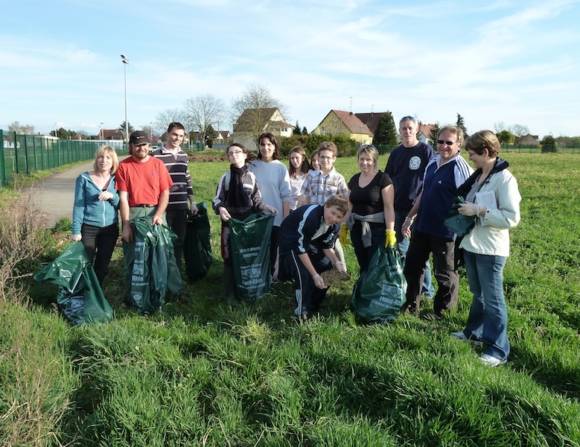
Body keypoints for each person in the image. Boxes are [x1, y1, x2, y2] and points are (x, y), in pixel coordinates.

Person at [451, 130, 521, 367]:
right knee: (478, 294)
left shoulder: (505, 179)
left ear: (486, 152)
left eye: (473, 153)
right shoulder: (479, 176)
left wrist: (479, 211)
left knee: (493, 299)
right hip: (472, 244)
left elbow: (512, 218)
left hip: (491, 249)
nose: (470, 157)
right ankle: (474, 332)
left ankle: (499, 349)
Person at [402, 125, 472, 320]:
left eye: (449, 143)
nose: (443, 146)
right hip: (422, 226)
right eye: (440, 142)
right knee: (413, 267)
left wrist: (459, 231)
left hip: (445, 232)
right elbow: (423, 193)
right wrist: (410, 217)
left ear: (459, 144)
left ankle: (443, 313)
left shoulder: (461, 168)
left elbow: (468, 201)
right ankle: (411, 305)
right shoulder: (432, 162)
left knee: (445, 274)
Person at [213, 143, 276, 298]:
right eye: (231, 153)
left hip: (247, 224)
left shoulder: (252, 177)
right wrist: (221, 208)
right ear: (228, 156)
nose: (234, 155)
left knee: (245, 254)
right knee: (228, 254)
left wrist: (268, 209)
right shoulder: (225, 177)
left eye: (238, 152)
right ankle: (229, 292)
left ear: (245, 155)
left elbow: (257, 200)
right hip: (230, 223)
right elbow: (216, 199)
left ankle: (247, 288)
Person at [278, 195, 348, 321]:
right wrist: (315, 274)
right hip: (291, 241)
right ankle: (300, 313)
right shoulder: (311, 217)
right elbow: (300, 249)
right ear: (325, 206)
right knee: (303, 274)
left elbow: (326, 246)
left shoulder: (334, 226)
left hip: (310, 241)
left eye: (338, 217)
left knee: (328, 268)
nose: (334, 218)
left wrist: (336, 262)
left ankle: (313, 303)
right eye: (332, 212)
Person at [386, 115, 434, 296]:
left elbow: (430, 180)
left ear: (416, 129)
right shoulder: (395, 153)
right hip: (398, 209)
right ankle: (409, 287)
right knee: (402, 250)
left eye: (410, 128)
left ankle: (426, 291)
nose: (406, 131)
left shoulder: (425, 151)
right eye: (403, 128)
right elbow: (388, 180)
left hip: (419, 210)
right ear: (399, 131)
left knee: (420, 252)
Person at [71, 145, 120, 284]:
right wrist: (76, 230)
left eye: (108, 157)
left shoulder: (116, 179)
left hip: (110, 229)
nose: (103, 160)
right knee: (85, 262)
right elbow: (79, 206)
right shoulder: (84, 178)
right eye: (100, 157)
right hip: (89, 228)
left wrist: (112, 196)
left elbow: (121, 205)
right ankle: (80, 291)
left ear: (113, 161)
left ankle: (96, 293)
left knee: (103, 264)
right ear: (96, 159)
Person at [152, 122, 196, 270]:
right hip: (162, 208)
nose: (178, 138)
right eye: (175, 134)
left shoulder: (184, 155)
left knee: (178, 241)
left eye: (181, 136)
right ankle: (162, 273)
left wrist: (192, 201)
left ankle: (175, 275)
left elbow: (187, 179)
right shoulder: (156, 155)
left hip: (181, 206)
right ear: (168, 134)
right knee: (162, 241)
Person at [116, 130, 173, 243]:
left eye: (144, 145)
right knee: (135, 254)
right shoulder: (123, 166)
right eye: (137, 145)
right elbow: (123, 198)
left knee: (160, 253)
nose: (141, 148)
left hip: (156, 211)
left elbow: (165, 193)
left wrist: (158, 214)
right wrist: (126, 225)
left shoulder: (158, 164)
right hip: (133, 214)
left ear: (149, 145)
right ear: (131, 146)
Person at [299, 141, 349, 268]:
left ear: (334, 159)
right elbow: (303, 196)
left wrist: (342, 222)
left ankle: (341, 269)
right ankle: (314, 270)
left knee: (333, 246)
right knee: (313, 247)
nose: (325, 160)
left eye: (328, 157)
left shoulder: (338, 178)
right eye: (322, 157)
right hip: (314, 219)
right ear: (318, 158)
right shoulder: (312, 176)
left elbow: (346, 201)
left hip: (331, 221)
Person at [347, 144, 396, 272]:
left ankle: (374, 289)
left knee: (375, 264)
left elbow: (389, 207)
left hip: (376, 231)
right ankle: (364, 288)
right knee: (362, 262)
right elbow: (349, 204)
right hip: (357, 228)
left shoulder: (383, 179)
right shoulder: (354, 179)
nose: (364, 162)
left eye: (368, 159)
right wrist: (344, 225)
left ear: (374, 161)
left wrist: (390, 231)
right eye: (361, 159)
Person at [249, 133, 292, 275]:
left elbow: (286, 196)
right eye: (262, 144)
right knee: (258, 248)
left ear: (274, 147)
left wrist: (286, 220)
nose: (265, 147)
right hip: (256, 217)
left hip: (276, 217)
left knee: (273, 248)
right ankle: (258, 276)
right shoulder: (252, 166)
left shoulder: (280, 168)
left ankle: (271, 276)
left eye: (269, 144)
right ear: (259, 146)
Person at [288, 145, 310, 211]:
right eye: (292, 158)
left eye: (297, 158)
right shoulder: (287, 174)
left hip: (304, 209)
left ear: (303, 158)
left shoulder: (309, 174)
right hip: (290, 209)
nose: (294, 161)